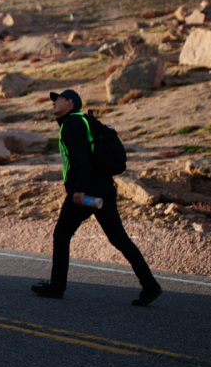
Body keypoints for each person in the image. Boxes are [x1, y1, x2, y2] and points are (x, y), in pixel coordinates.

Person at [31, 89, 162, 306]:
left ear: (70, 102)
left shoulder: (72, 124)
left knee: (61, 234)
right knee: (119, 239)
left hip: (88, 190)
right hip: (104, 188)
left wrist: (80, 190)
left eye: (59, 99)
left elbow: (81, 158)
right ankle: (150, 285)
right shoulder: (84, 121)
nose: (54, 103)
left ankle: (56, 287)